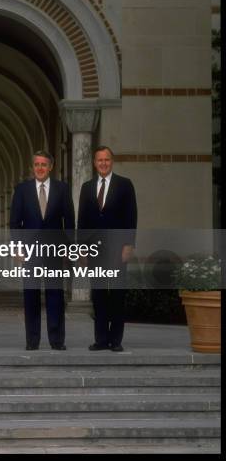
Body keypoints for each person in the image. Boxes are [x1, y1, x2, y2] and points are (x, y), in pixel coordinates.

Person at [10, 150, 75, 351]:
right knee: (31, 295)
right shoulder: (22, 190)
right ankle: (32, 340)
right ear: (33, 167)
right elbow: (15, 222)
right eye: (37, 164)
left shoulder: (62, 189)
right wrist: (17, 247)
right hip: (30, 251)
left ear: (50, 167)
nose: (40, 168)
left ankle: (57, 340)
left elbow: (69, 222)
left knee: (55, 294)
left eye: (43, 164)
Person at [78, 146, 137, 352]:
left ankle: (116, 340)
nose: (103, 163)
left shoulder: (124, 185)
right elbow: (82, 220)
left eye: (107, 160)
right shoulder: (87, 187)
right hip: (95, 249)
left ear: (112, 161)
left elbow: (131, 217)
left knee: (117, 293)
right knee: (100, 293)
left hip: (118, 248)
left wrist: (129, 244)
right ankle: (101, 339)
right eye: (100, 160)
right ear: (94, 163)